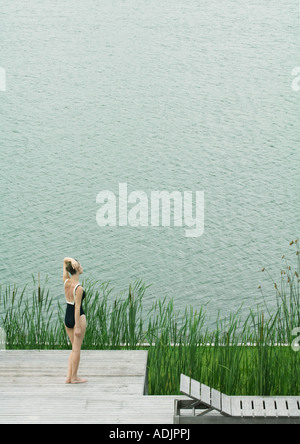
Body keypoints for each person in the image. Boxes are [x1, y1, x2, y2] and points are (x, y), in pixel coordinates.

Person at [63, 257, 87, 384]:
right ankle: (74, 377)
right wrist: (77, 326)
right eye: (80, 265)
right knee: (77, 349)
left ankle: (68, 377)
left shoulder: (66, 282)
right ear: (77, 268)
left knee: (73, 348)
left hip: (67, 318)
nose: (82, 267)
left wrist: (70, 260)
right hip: (77, 318)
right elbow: (77, 307)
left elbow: (64, 260)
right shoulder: (78, 288)